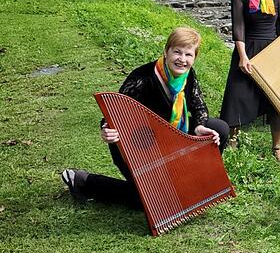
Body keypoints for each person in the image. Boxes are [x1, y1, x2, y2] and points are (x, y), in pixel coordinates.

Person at [61, 27, 229, 208]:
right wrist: (106, 130)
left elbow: (198, 106)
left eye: (188, 55)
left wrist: (199, 126)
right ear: (166, 51)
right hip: (138, 145)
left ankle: (189, 183)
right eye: (177, 52)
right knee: (157, 201)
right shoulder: (142, 78)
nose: (182, 59)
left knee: (219, 128)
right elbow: (114, 114)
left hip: (172, 139)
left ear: (194, 58)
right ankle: (85, 181)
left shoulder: (188, 75)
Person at [220, 0, 280, 161]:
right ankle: (232, 140)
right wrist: (242, 56)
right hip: (248, 48)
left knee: (276, 98)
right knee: (238, 95)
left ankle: (277, 146)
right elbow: (238, 26)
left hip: (273, 50)